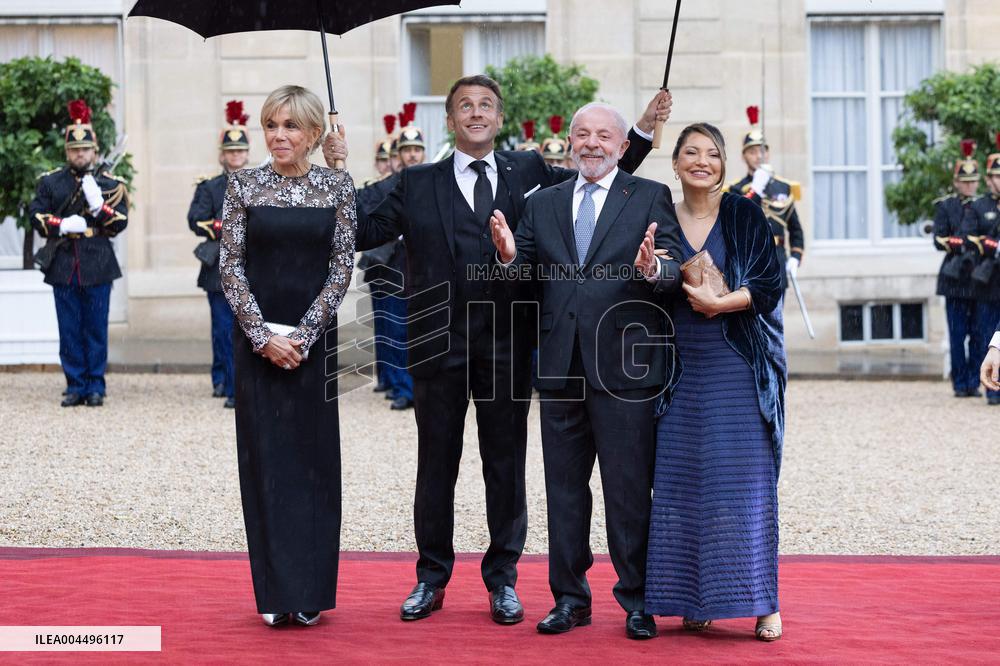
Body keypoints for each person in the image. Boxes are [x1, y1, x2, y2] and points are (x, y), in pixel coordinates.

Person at [346, 74, 672, 625]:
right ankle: (431, 578)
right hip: (436, 343)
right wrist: (333, 169)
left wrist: (641, 126)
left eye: (487, 106)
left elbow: (606, 177)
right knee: (436, 466)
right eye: (464, 106)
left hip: (509, 345)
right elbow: (355, 224)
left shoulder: (531, 173)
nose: (476, 113)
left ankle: (503, 581)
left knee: (506, 466)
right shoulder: (414, 181)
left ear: (499, 119)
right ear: (449, 120)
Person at [490, 102, 683, 639]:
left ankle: (638, 600)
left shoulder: (648, 197)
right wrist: (507, 256)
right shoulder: (545, 202)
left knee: (627, 491)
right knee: (565, 492)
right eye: (582, 135)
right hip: (560, 370)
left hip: (625, 371)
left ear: (624, 147)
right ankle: (570, 598)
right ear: (571, 143)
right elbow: (521, 276)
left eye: (604, 136)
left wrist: (656, 268)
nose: (591, 144)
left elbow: (671, 270)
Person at [219, 85, 356, 628]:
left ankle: (311, 593)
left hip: (313, 346)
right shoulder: (243, 185)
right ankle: (276, 591)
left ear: (314, 134)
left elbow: (341, 269)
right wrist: (262, 336)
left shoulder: (337, 187)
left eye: (291, 126)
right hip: (258, 349)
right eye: (272, 125)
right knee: (268, 466)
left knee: (315, 465)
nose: (279, 135)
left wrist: (302, 334)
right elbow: (231, 267)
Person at [644, 123, 786, 641]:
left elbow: (770, 285)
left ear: (724, 165)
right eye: (691, 152)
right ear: (676, 163)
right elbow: (649, 286)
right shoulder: (658, 215)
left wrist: (722, 303)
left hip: (737, 366)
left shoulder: (744, 212)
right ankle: (692, 598)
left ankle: (763, 602)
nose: (702, 161)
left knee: (744, 487)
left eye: (712, 154)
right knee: (682, 487)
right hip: (678, 370)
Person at [28, 99, 129, 407]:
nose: (80, 154)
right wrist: (60, 224)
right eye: (75, 150)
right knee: (69, 329)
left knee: (96, 329)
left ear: (94, 151)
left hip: (97, 262)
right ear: (67, 151)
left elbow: (120, 222)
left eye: (85, 149)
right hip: (64, 264)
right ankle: (75, 384)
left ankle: (96, 385)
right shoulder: (51, 182)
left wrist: (100, 206)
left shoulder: (110, 183)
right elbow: (36, 214)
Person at [187, 100, 250, 409]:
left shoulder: (261, 184)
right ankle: (226, 382)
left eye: (240, 151)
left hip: (252, 267)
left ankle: (240, 383)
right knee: (223, 330)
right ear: (222, 155)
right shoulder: (209, 187)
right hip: (219, 267)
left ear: (247, 154)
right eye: (231, 151)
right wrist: (225, 226)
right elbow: (195, 220)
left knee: (250, 329)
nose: (236, 156)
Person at [724, 106, 805, 290]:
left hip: (777, 257)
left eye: (762, 150)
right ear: (744, 156)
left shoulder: (783, 186)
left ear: (768, 153)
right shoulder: (735, 189)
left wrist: (795, 256)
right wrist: (756, 189)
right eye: (752, 152)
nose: (758, 156)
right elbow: (741, 219)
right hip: (751, 258)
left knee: (776, 317)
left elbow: (795, 229)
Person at [934, 140, 982, 398]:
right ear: (956, 182)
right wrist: (959, 242)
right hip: (954, 276)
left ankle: (974, 380)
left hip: (978, 277)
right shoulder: (946, 206)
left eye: (973, 180)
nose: (969, 185)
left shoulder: (984, 206)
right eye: (964, 181)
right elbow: (939, 239)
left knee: (977, 332)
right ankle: (960, 381)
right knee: (957, 333)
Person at [967, 136, 1000, 405]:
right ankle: (992, 389)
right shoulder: (980, 206)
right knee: (988, 333)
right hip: (989, 279)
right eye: (996, 177)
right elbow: (971, 237)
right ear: (988, 179)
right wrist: (994, 248)